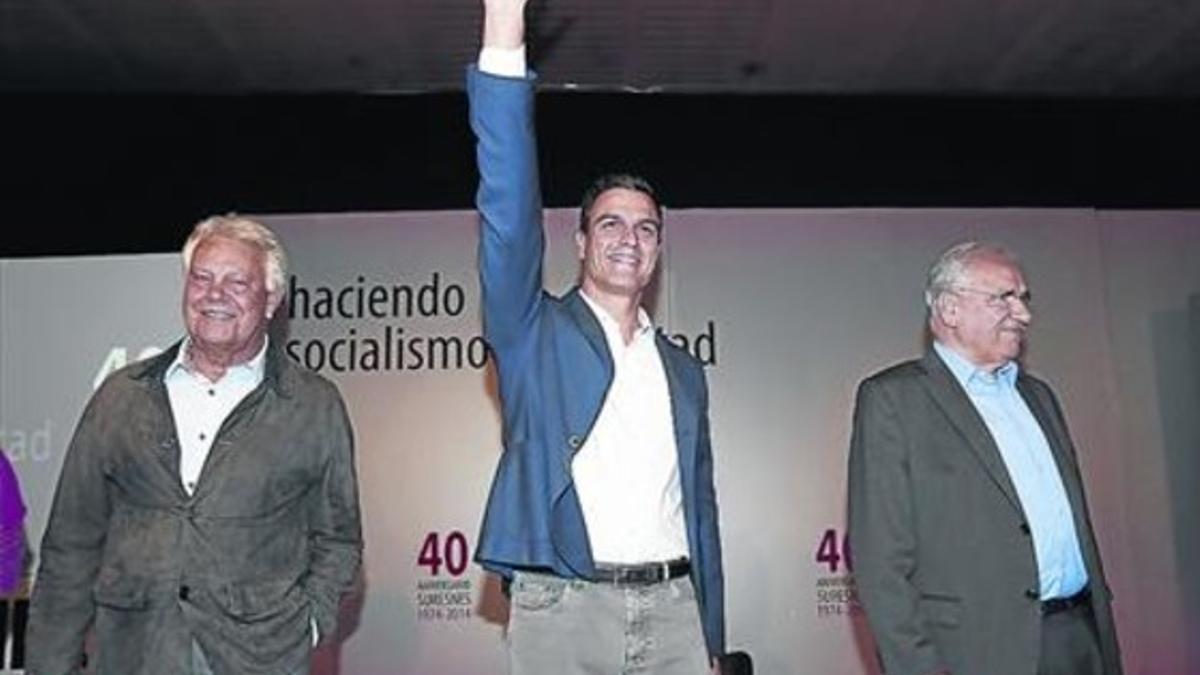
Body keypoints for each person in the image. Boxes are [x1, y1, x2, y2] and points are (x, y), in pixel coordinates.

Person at [468, 0, 724, 672]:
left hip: (675, 610)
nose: (628, 239)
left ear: (660, 249)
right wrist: (504, 27)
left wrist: (710, 633)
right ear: (579, 242)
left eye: (645, 228)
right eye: (610, 223)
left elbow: (701, 513)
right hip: (565, 608)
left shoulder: (683, 370)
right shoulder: (532, 333)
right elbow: (507, 206)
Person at [26, 215, 363, 675]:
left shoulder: (312, 405)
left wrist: (307, 626)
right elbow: (71, 546)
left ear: (271, 300)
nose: (214, 294)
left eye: (236, 282)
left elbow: (338, 540)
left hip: (257, 660)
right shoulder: (121, 397)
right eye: (201, 278)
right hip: (135, 655)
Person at [847, 241, 1122, 675]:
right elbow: (881, 561)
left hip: (1079, 640)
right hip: (977, 652)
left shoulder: (1039, 396)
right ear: (950, 309)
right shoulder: (894, 400)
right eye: (1004, 298)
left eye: (1024, 298)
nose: (1024, 314)